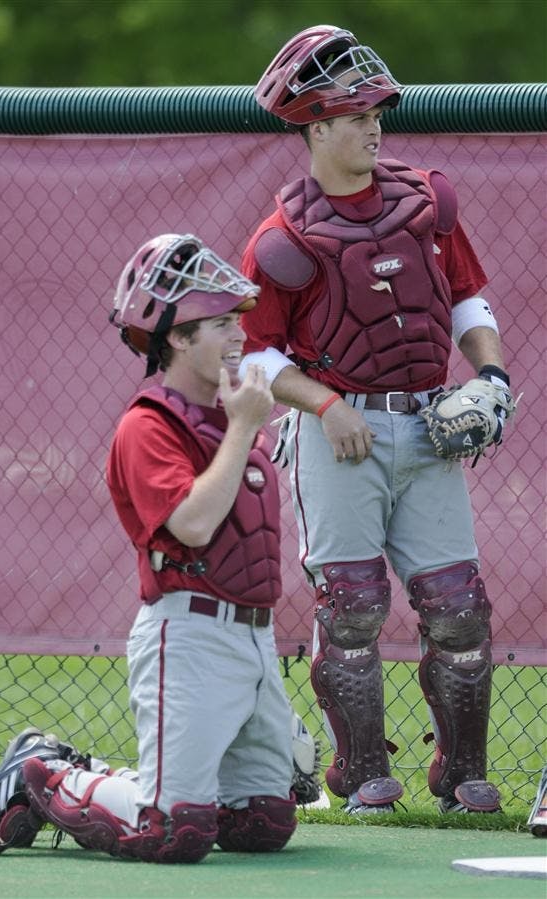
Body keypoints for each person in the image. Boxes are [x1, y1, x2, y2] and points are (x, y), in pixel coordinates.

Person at [239, 25, 516, 815]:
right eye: (353, 115)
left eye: (374, 113)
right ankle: (359, 773)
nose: (372, 126)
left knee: (458, 607)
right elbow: (253, 358)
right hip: (338, 435)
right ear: (314, 128)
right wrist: (321, 404)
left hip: (428, 421)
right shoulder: (280, 240)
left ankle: (460, 773)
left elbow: (466, 298)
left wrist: (489, 372)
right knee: (352, 605)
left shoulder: (424, 201)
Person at [0, 234, 304, 862]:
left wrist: (245, 422)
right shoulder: (147, 425)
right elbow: (194, 526)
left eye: (237, 320)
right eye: (220, 322)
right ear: (175, 337)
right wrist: (248, 424)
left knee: (262, 825)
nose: (237, 335)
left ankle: (128, 781)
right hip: (188, 636)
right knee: (174, 832)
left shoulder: (229, 417)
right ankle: (46, 774)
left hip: (254, 638)